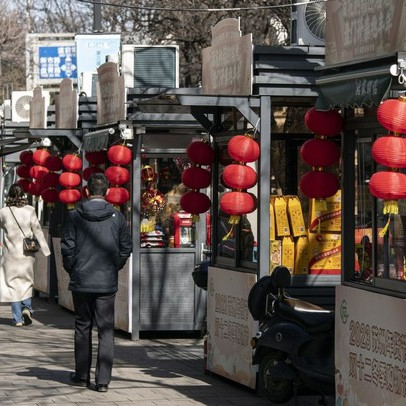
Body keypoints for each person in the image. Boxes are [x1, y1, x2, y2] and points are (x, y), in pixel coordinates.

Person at [61, 173, 132, 392]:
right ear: (108, 192)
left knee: (82, 327)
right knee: (106, 330)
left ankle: (82, 375)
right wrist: (113, 267)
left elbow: (67, 248)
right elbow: (125, 248)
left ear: (87, 191)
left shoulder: (75, 216)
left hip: (82, 279)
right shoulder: (117, 217)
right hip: (105, 282)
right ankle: (103, 381)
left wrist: (73, 269)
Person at [0, 183, 51, 326]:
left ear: (9, 195)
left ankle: (17, 319)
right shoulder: (30, 210)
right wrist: (46, 250)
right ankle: (27, 308)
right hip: (27, 254)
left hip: (10, 255)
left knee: (13, 285)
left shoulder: (3, 212)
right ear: (23, 195)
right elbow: (37, 230)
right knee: (27, 282)